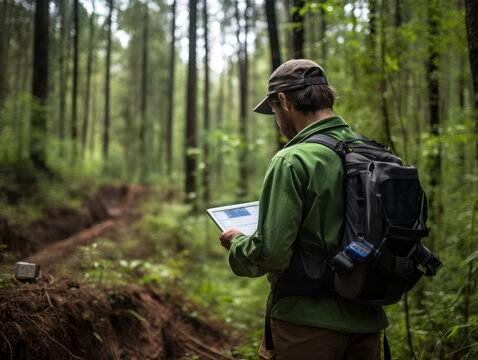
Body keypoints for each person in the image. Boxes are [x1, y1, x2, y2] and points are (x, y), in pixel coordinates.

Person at [219, 59, 388, 360]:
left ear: (282, 101)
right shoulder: (371, 153)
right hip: (368, 321)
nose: (276, 120)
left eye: (273, 112)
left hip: (306, 324)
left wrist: (237, 243)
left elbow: (271, 254)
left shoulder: (291, 160)